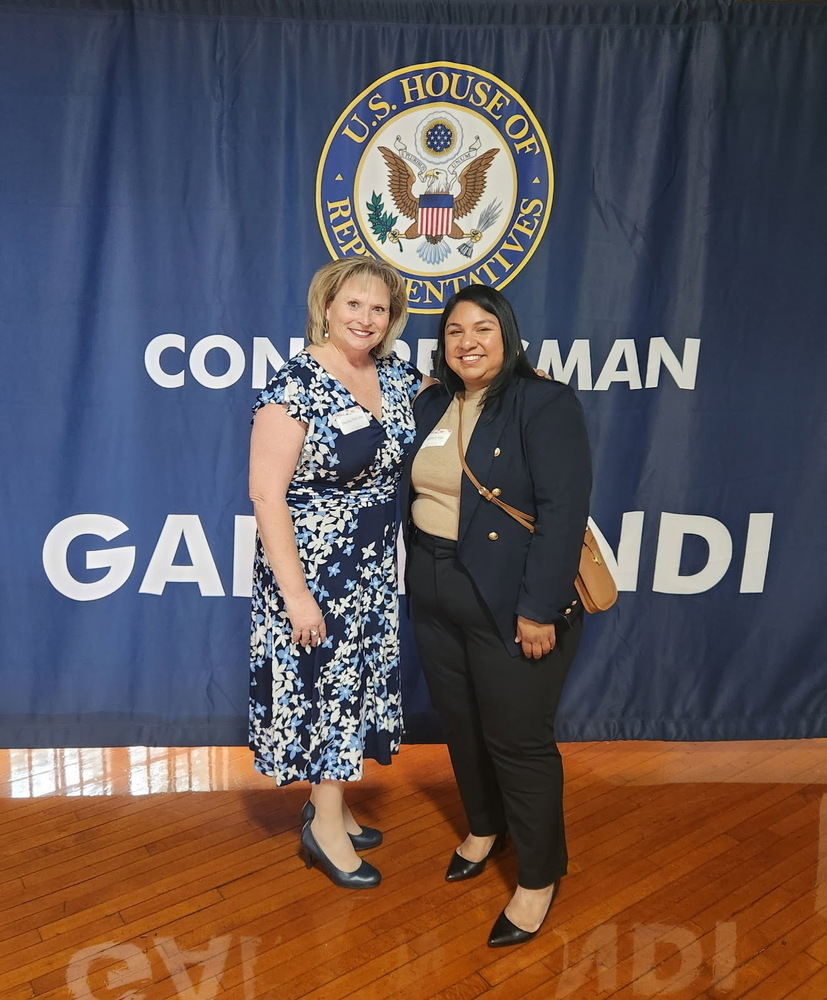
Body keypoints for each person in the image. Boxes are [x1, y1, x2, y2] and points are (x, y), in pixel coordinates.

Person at [400, 284, 592, 946]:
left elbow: (564, 513)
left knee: (517, 740)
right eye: (455, 330)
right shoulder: (429, 400)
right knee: (462, 724)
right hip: (431, 587)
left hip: (512, 598)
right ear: (441, 343)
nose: (468, 341)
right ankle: (485, 826)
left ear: (507, 335)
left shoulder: (542, 401)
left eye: (483, 328)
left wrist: (538, 610)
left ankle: (538, 878)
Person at [248, 256, 427, 890]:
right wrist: (294, 596)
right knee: (328, 692)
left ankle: (333, 803)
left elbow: (458, 390)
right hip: (313, 573)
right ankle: (323, 829)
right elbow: (267, 495)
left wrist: (522, 380)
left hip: (372, 569)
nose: (366, 318)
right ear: (327, 307)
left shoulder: (396, 375)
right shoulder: (295, 382)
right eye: (354, 305)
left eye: (379, 309)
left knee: (355, 691)